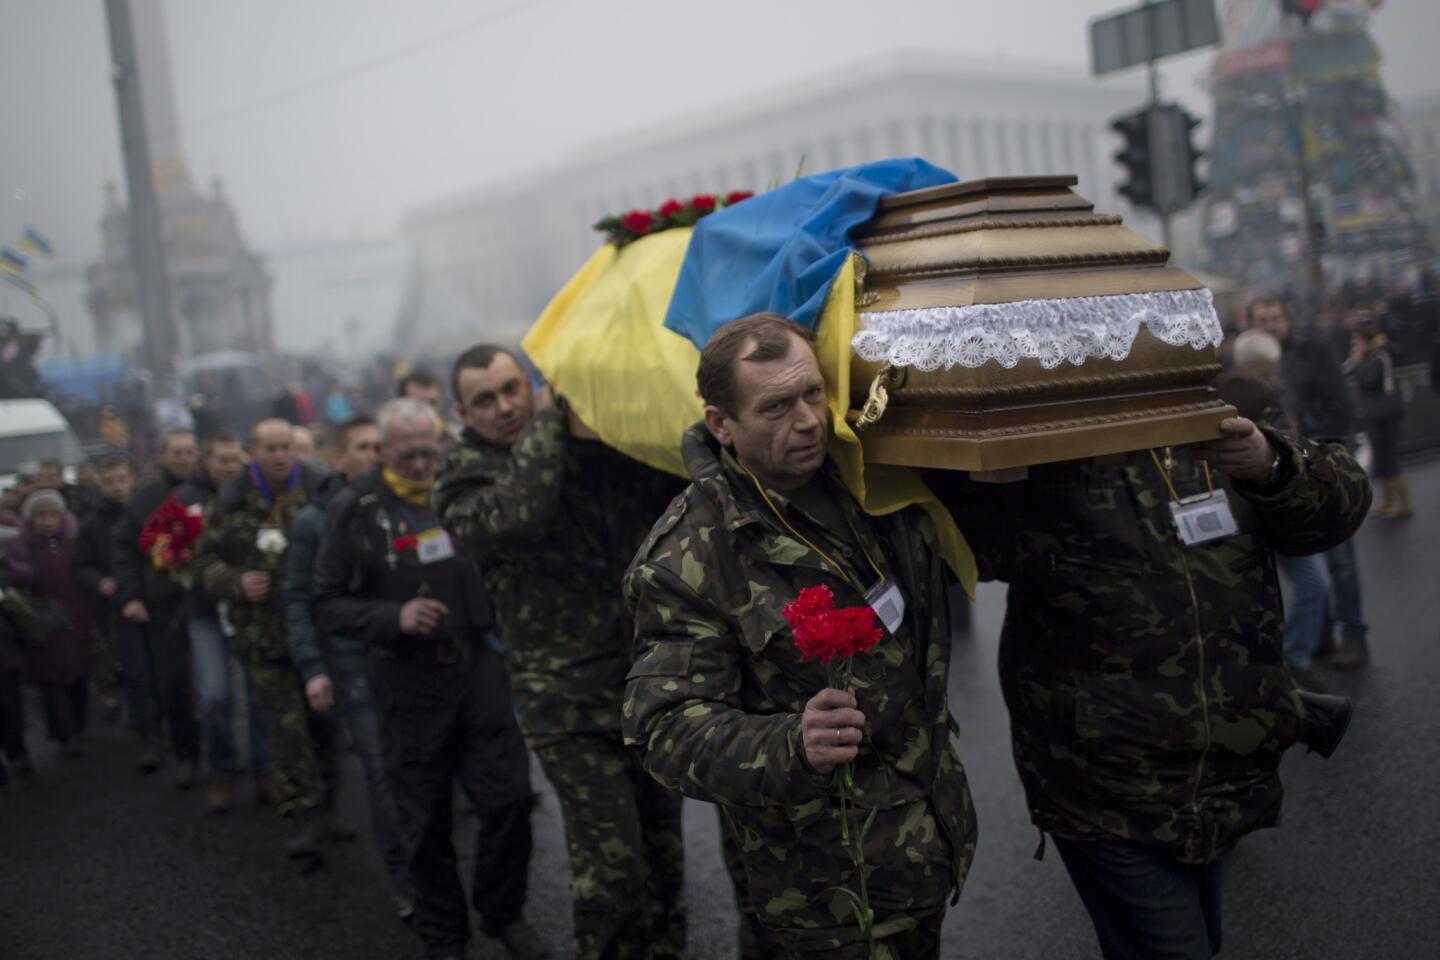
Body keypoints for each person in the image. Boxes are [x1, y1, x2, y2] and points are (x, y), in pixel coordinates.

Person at [930, 391, 1371, 959]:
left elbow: (1336, 510)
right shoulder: (1039, 433)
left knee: (1201, 938)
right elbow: (955, 543)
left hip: (1226, 767)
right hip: (1106, 784)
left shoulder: (1222, 404)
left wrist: (1269, 462)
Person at [623, 315, 977, 959]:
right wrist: (791, 742)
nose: (809, 420)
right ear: (720, 424)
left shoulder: (872, 480)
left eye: (813, 393)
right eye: (777, 407)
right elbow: (663, 728)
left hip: (926, 842)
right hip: (829, 888)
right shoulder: (688, 556)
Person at [434, 345, 686, 960]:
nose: (505, 408)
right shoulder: (463, 475)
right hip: (564, 704)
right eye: (485, 401)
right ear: (463, 414)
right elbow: (518, 515)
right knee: (612, 867)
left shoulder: (581, 446)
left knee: (663, 853)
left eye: (512, 390)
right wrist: (549, 417)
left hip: (641, 683)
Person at [315, 398, 546, 960]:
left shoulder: (460, 489)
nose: (421, 465)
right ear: (384, 451)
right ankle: (445, 936)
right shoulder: (359, 506)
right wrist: (393, 619)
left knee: (509, 800)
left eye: (428, 452)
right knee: (424, 821)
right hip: (406, 682)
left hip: (478, 669)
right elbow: (325, 601)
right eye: (407, 455)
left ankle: (502, 911)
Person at [193, 419, 341, 867]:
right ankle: (304, 816)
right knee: (286, 732)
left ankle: (330, 807)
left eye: (285, 448)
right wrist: (237, 582)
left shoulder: (319, 491)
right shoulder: (232, 501)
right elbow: (206, 564)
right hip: (264, 639)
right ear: (252, 452)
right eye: (270, 449)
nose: (280, 456)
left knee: (326, 729)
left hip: (317, 636)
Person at [283, 414, 415, 919]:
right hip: (353, 663)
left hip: (407, 659)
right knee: (381, 773)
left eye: (378, 445)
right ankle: (406, 882)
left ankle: (430, 870)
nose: (373, 454)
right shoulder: (316, 520)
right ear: (338, 458)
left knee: (419, 773)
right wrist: (314, 667)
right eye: (361, 447)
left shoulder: (400, 504)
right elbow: (299, 598)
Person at [1247, 297, 1372, 670]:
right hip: (1285, 478)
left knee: (1341, 563)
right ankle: (1321, 635)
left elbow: (1341, 405)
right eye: (1262, 319)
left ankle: (1354, 636)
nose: (1270, 324)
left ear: (1286, 319)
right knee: (1309, 568)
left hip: (1319, 468)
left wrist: (1316, 451)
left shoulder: (1313, 351)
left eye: (1274, 317)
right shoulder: (1253, 362)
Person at [175, 431, 269, 813]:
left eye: (235, 459)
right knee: (213, 696)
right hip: (205, 610)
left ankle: (265, 770)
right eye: (221, 459)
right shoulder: (184, 500)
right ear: (205, 461)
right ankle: (221, 769)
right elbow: (163, 549)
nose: (230, 467)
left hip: (249, 608)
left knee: (259, 692)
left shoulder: (254, 493)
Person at [112, 429, 202, 784]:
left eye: (189, 452)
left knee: (215, 688)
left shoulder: (207, 491)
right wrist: (131, 595)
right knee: (174, 682)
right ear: (161, 455)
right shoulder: (144, 499)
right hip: (162, 604)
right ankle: (186, 755)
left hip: (207, 599)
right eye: (176, 452)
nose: (183, 459)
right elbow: (124, 550)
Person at [6, 490, 92, 756]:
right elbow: (16, 577)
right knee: (52, 683)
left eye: (52, 514)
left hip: (75, 618)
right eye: (41, 515)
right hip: (42, 622)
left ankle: (78, 727)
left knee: (78, 677)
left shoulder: (74, 540)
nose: (47, 521)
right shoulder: (20, 545)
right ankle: (65, 735)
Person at [72, 456, 134, 724]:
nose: (117, 487)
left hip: (147, 600)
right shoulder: (90, 523)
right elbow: (79, 566)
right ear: (100, 485)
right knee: (116, 659)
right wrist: (98, 581)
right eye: (110, 482)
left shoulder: (143, 512)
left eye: (121, 480)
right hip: (109, 605)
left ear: (131, 479)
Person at [1346, 308, 1409, 520]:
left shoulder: (1380, 354)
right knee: (1381, 461)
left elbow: (1370, 382)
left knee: (1389, 460)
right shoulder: (1374, 354)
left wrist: (1357, 363)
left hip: (1386, 415)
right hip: (1376, 415)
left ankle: (1403, 503)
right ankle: (1388, 502)